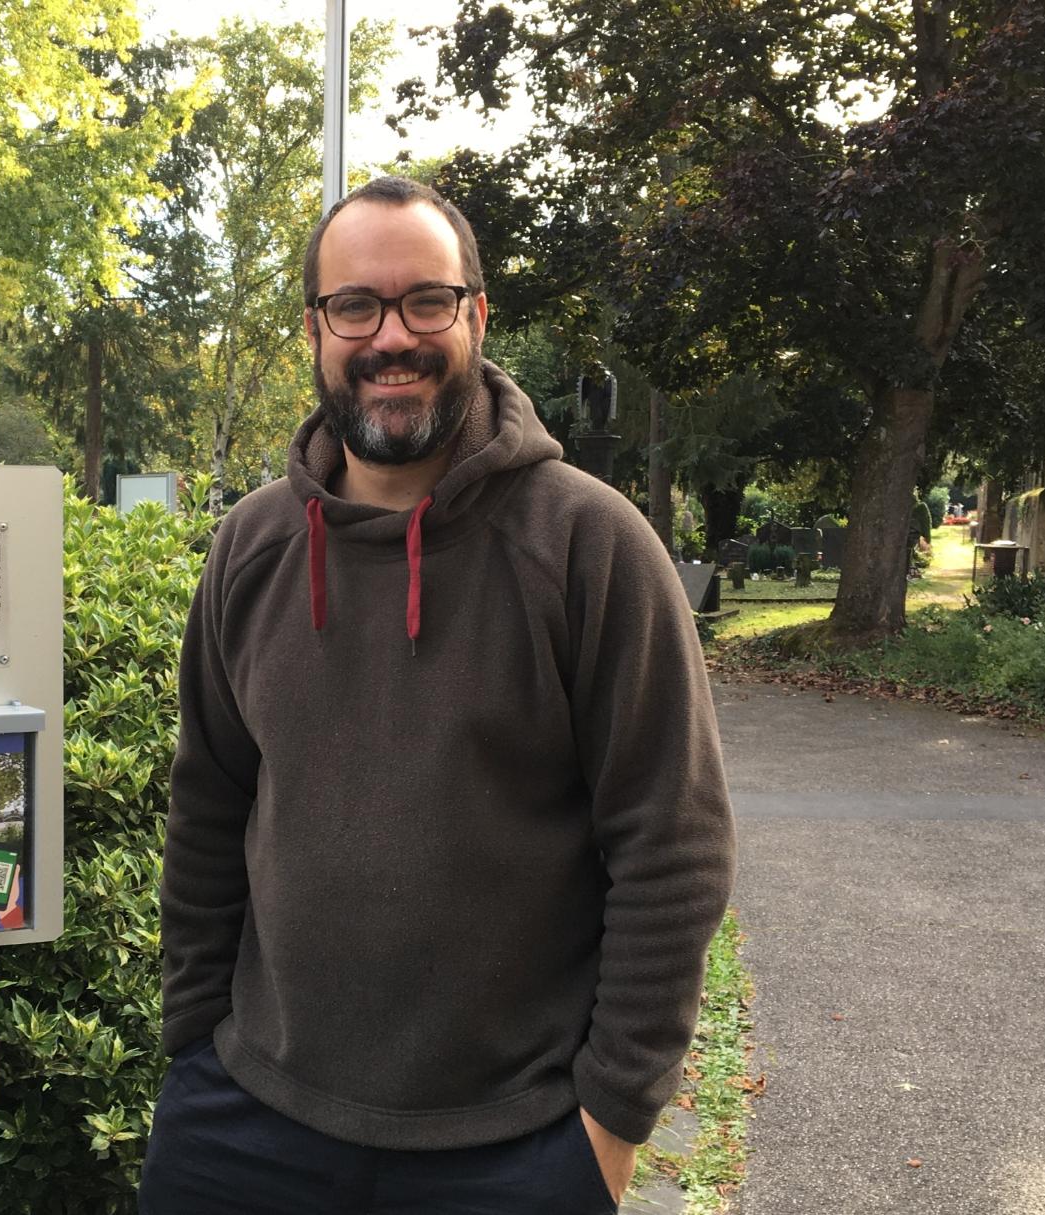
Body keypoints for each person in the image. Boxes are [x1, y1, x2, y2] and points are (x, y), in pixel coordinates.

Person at [142, 177, 736, 1214]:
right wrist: (195, 1038)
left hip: (515, 1146)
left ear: (475, 315)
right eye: (354, 307)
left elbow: (671, 848)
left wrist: (609, 1123)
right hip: (245, 1123)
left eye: (426, 300)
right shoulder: (253, 545)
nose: (391, 337)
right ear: (316, 330)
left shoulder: (590, 546)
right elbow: (209, 805)